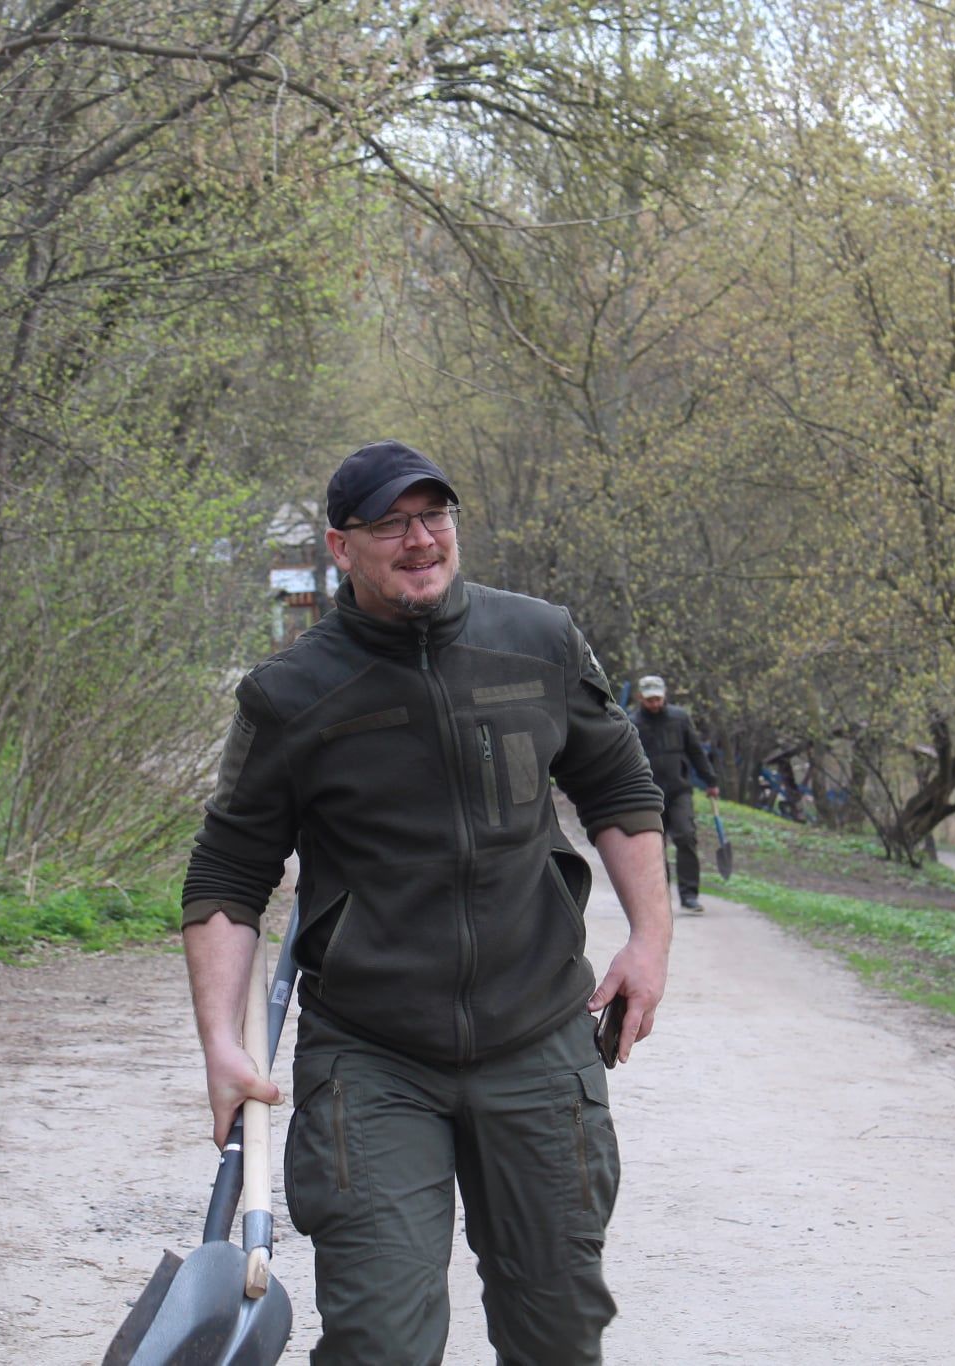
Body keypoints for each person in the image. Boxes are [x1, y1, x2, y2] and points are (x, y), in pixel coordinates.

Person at [179, 439, 671, 1365]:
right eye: (390, 524)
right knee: (380, 1344)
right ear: (341, 546)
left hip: (538, 1040)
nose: (419, 540)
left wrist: (650, 941)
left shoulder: (538, 641)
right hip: (372, 1059)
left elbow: (620, 790)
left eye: (434, 517)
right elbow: (227, 876)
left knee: (560, 1334)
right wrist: (221, 1044)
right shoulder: (291, 694)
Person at [628, 674, 719, 911]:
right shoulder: (631, 723)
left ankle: (689, 895)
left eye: (658, 698)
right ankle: (661, 897)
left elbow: (696, 751)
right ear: (640, 698)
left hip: (679, 789)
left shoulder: (680, 718)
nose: (655, 704)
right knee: (654, 845)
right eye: (650, 700)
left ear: (664, 695)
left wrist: (710, 780)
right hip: (648, 793)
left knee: (686, 836)